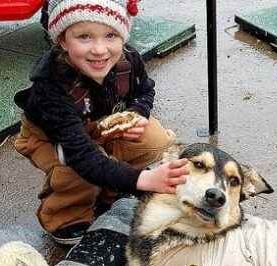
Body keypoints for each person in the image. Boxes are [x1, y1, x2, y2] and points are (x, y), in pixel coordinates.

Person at [14, 0, 190, 245]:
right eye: (84, 36)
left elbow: (145, 91)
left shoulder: (129, 60)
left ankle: (111, 187)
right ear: (62, 40)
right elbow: (83, 156)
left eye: (111, 35)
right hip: (49, 136)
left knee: (155, 138)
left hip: (98, 121)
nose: (99, 49)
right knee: (77, 169)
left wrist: (137, 113)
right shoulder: (50, 86)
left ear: (123, 35)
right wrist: (144, 180)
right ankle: (65, 216)